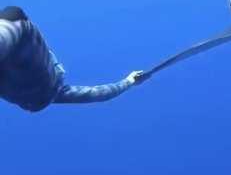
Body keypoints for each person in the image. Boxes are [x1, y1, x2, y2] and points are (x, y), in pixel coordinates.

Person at [0, 6, 147, 112]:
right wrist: (129, 81)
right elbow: (102, 94)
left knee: (13, 15)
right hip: (32, 86)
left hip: (33, 82)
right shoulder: (53, 90)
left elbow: (101, 94)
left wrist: (129, 81)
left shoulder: (53, 89)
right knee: (13, 15)